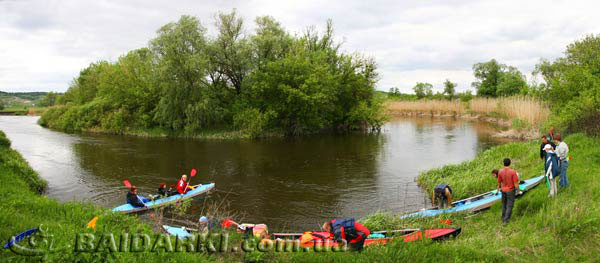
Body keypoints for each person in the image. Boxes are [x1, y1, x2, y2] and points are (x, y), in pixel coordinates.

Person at [497, 158, 521, 224]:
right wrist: (519, 191)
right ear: (510, 163)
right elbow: (516, 184)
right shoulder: (513, 172)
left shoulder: (500, 171)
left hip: (503, 190)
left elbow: (499, 182)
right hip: (510, 190)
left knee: (504, 204)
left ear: (503, 163)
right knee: (509, 205)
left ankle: (503, 217)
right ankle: (505, 220)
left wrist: (498, 189)